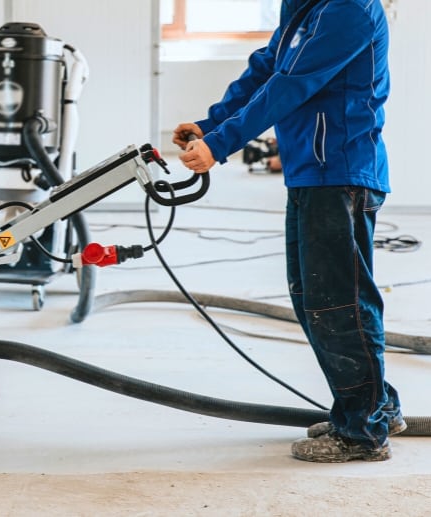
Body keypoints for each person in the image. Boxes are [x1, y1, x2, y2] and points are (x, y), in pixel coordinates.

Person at [173, 0, 403, 463]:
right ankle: (371, 407)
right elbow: (267, 67)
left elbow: (291, 85)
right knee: (314, 299)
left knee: (338, 302)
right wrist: (211, 122)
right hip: (310, 173)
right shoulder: (306, 5)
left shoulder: (350, 9)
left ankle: (363, 431)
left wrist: (220, 145)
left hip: (340, 173)